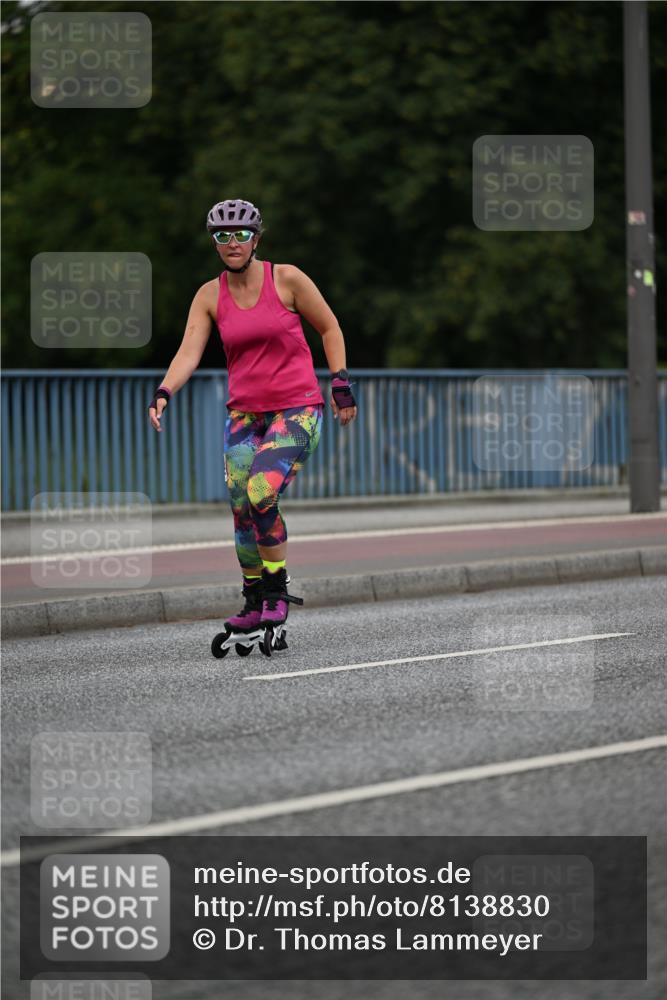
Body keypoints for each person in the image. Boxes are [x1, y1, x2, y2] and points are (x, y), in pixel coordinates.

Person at [148, 198, 357, 652]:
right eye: (223, 236)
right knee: (242, 507)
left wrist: (340, 383)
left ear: (256, 238)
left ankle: (276, 589)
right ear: (215, 243)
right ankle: (253, 598)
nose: (232, 243)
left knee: (262, 491)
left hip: (297, 410)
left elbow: (331, 328)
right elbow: (189, 352)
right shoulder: (209, 295)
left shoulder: (288, 279)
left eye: (241, 234)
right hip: (245, 414)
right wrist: (164, 391)